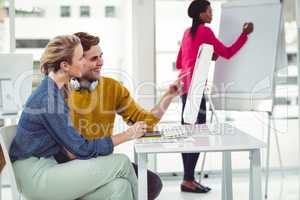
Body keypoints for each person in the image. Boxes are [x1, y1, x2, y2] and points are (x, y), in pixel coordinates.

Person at [9, 35, 150, 200]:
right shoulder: (48, 98)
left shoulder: (57, 91)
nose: (84, 62)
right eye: (81, 57)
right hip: (37, 177)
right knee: (122, 162)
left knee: (120, 186)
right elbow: (81, 149)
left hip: (48, 167)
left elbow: (73, 147)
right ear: (65, 65)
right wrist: (128, 134)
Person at [52, 32, 180, 200]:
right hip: (72, 165)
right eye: (94, 59)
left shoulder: (112, 88)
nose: (101, 62)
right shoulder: (61, 92)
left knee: (152, 183)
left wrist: (169, 95)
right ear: (78, 62)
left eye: (101, 56)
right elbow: (70, 151)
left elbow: (145, 122)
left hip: (102, 160)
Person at [176, 0, 254, 193]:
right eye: (209, 11)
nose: (212, 14)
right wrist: (245, 34)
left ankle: (188, 179)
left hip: (184, 88)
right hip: (195, 89)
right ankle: (187, 180)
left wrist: (205, 56)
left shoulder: (187, 33)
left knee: (189, 135)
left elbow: (180, 62)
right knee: (197, 136)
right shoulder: (205, 32)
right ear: (201, 14)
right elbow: (227, 53)